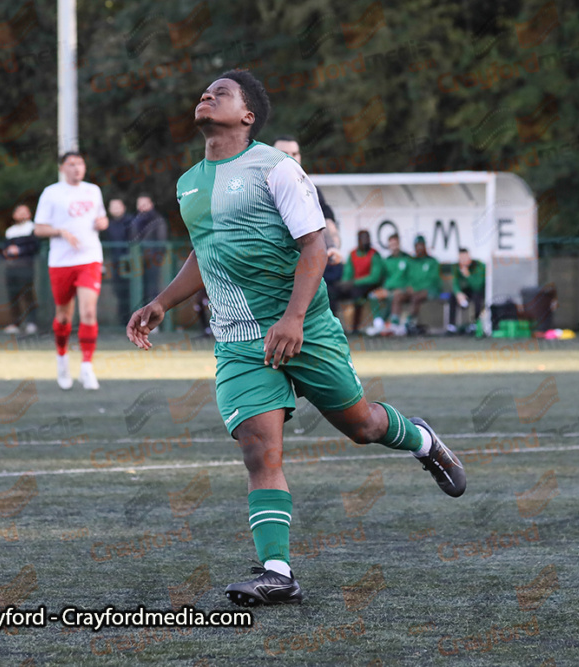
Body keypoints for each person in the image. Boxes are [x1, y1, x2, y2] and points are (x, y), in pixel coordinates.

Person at [126, 69, 466, 608]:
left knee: (363, 425)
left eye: (223, 92)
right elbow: (203, 252)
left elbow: (315, 249)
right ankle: (277, 573)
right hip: (238, 339)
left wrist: (294, 318)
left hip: (303, 327)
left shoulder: (276, 168)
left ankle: (421, 439)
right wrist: (161, 303)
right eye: (206, 90)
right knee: (260, 450)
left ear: (247, 116)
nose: (207, 95)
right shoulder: (188, 182)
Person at [33, 151, 108, 390]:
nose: (77, 168)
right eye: (72, 164)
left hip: (90, 258)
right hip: (61, 262)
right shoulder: (51, 193)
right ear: (62, 168)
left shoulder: (93, 190)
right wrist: (60, 231)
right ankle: (62, 357)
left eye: (81, 163)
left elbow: (103, 218)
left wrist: (102, 223)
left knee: (88, 311)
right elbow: (39, 229)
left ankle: (87, 366)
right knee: (64, 315)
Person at [272, 135, 344, 313]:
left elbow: (325, 219)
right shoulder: (258, 186)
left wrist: (332, 246)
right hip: (269, 266)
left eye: (295, 153)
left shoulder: (308, 188)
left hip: (302, 266)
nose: (291, 158)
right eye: (284, 153)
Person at [1, 204, 40, 335]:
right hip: (11, 267)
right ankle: (14, 323)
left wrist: (20, 250)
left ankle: (31, 323)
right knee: (13, 295)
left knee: (27, 294)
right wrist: (7, 253)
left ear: (29, 214)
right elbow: (4, 249)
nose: (21, 214)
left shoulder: (32, 228)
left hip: (26, 266)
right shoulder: (10, 231)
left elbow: (35, 247)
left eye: (25, 212)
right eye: (18, 211)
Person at [365, 232, 412, 336]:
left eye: (395, 244)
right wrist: (384, 288)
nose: (393, 247)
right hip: (388, 289)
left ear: (399, 244)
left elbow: (411, 278)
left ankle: (391, 325)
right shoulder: (386, 260)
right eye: (391, 245)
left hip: (401, 290)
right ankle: (378, 324)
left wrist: (404, 288)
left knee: (394, 297)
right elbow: (382, 278)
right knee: (373, 296)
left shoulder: (407, 259)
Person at [338, 230, 384, 334]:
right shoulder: (353, 254)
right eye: (363, 238)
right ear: (358, 240)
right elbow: (347, 274)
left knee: (357, 295)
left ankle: (355, 327)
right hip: (355, 286)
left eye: (367, 238)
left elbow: (374, 278)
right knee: (333, 292)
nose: (366, 241)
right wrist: (345, 283)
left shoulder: (374, 254)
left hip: (370, 286)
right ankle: (336, 327)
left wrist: (354, 282)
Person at [129, 194, 168, 305]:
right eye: (140, 204)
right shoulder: (135, 220)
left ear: (151, 204)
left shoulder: (158, 220)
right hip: (138, 261)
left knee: (152, 288)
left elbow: (161, 240)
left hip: (152, 261)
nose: (142, 207)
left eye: (144, 204)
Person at [105, 198, 135, 326]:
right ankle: (123, 322)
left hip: (131, 265)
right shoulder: (108, 225)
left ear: (123, 207)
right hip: (115, 264)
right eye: (113, 206)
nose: (115, 209)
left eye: (118, 206)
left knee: (133, 292)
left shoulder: (131, 222)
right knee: (120, 293)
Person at [405, 235, 443, 334]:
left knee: (416, 297)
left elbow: (433, 280)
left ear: (425, 246)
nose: (419, 248)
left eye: (421, 245)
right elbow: (408, 278)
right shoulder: (412, 262)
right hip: (416, 291)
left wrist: (417, 288)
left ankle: (410, 323)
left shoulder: (432, 261)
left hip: (431, 291)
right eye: (417, 246)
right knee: (398, 295)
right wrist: (409, 286)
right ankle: (394, 324)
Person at [447, 248, 486, 334]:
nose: (463, 261)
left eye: (465, 258)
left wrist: (468, 275)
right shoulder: (456, 267)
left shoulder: (478, 266)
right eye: (461, 259)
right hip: (466, 291)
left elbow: (477, 285)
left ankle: (475, 324)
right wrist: (458, 293)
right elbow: (455, 282)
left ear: (469, 257)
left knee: (477, 297)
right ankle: (451, 326)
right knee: (452, 297)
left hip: (478, 290)